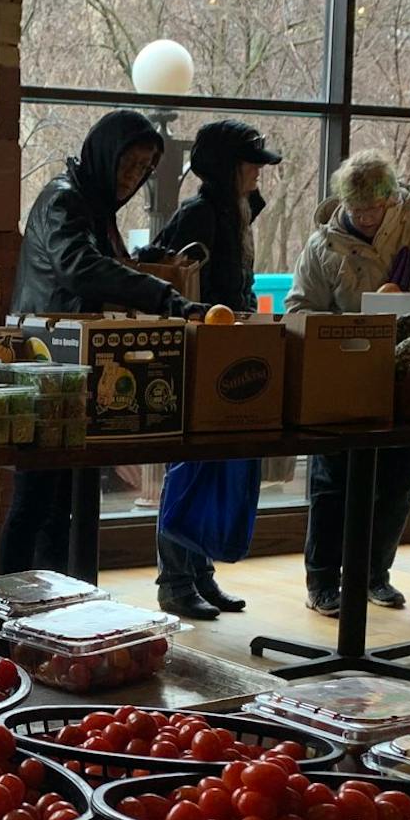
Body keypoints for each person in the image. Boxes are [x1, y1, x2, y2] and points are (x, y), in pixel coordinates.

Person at [3, 108, 204, 572]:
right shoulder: (64, 199)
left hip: (70, 364)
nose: (133, 177)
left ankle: (56, 604)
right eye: (128, 164)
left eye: (143, 170)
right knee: (34, 502)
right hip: (44, 364)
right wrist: (161, 293)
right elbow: (78, 267)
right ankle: (9, 604)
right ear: (106, 155)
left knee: (61, 506)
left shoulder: (93, 207)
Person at [292, 151, 410, 615]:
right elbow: (298, 309)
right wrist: (341, 330)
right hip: (343, 372)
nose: (365, 218)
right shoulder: (322, 246)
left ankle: (374, 575)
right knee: (331, 482)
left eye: (374, 209)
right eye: (356, 210)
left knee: (395, 479)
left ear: (392, 199)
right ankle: (323, 580)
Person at [149, 118, 281, 618]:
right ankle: (176, 583)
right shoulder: (201, 215)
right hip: (201, 353)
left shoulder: (236, 213)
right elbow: (175, 278)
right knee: (190, 473)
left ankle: (198, 575)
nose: (258, 174)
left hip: (227, 348)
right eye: (251, 165)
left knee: (212, 470)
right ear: (227, 168)